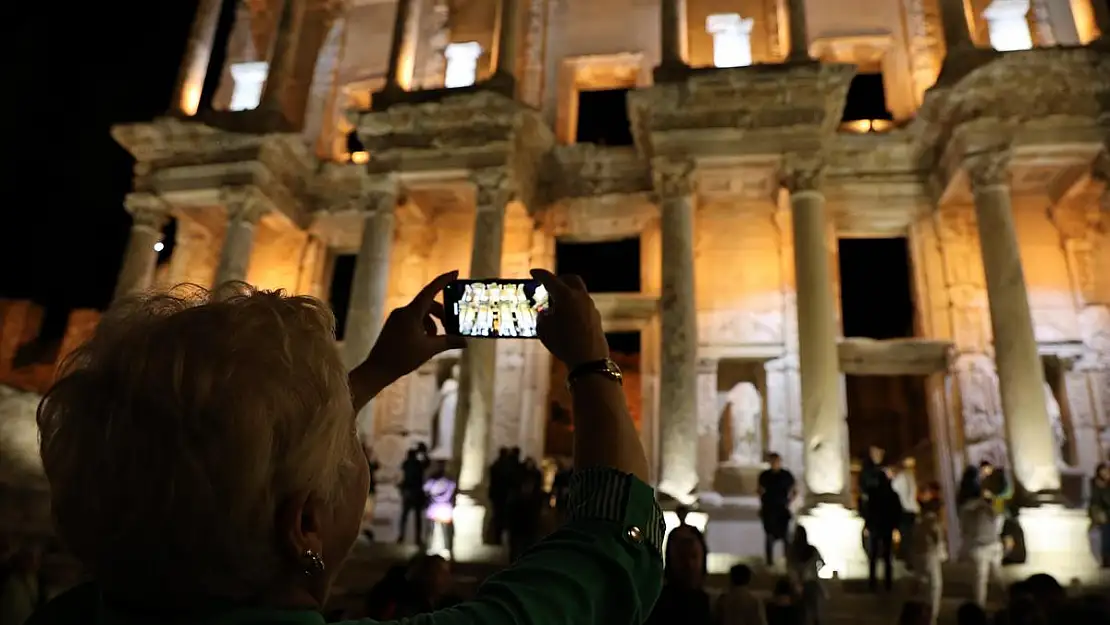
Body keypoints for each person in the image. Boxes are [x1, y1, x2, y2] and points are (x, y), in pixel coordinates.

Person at [28, 269, 665, 625]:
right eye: (346, 446)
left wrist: (370, 374)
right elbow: (611, 554)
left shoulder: (70, 618)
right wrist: (592, 365)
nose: (352, 447)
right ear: (305, 526)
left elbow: (241, 447)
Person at [645, 525, 712, 625]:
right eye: (682, 556)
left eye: (694, 556)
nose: (689, 564)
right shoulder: (656, 604)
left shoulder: (710, 604)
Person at [959, 489, 1003, 607]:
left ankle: (983, 605)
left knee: (983, 579)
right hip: (986, 546)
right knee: (988, 578)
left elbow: (964, 529)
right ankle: (985, 605)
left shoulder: (971, 511)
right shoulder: (976, 511)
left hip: (984, 547)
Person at [758, 453, 796, 567]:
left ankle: (788, 560)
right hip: (769, 509)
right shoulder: (764, 475)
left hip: (781, 508)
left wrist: (789, 501)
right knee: (769, 536)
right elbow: (759, 489)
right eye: (773, 461)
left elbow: (794, 490)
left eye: (777, 461)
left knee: (785, 537)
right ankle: (769, 561)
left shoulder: (786, 475)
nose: (775, 464)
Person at [786, 527, 825, 625]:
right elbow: (822, 562)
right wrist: (814, 570)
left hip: (797, 584)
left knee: (800, 611)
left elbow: (789, 567)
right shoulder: (812, 549)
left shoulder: (792, 550)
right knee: (814, 609)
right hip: (811, 582)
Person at [0, 544, 43, 625]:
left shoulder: (38, 580)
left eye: (37, 558)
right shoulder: (7, 577)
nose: (33, 562)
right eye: (29, 557)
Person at [422, 459, 457, 555]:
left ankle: (428, 548)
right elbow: (453, 491)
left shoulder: (432, 479)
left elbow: (425, 489)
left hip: (434, 508)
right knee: (447, 531)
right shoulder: (450, 480)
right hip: (446, 508)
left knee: (430, 531)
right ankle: (448, 549)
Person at [891, 457, 920, 564]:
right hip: (912, 509)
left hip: (904, 510)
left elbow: (894, 492)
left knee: (905, 535)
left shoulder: (900, 478)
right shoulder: (911, 477)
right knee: (910, 535)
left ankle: (906, 557)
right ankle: (910, 558)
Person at [1088, 462, 1110, 568]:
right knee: (1104, 535)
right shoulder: (1096, 484)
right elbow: (1095, 502)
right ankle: (1105, 559)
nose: (1106, 473)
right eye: (1103, 471)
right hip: (1102, 516)